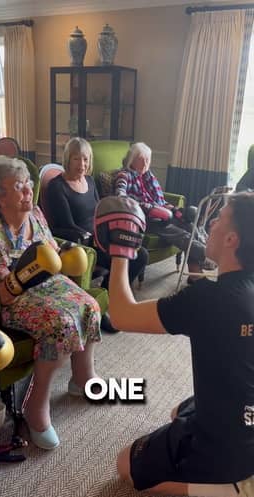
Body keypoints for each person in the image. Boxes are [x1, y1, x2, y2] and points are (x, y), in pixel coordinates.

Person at [94, 192, 254, 497]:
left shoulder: (209, 297)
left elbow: (122, 315)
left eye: (219, 219)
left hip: (231, 449)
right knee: (179, 411)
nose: (211, 223)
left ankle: (232, 490)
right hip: (244, 415)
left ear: (232, 239)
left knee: (125, 465)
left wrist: (119, 252)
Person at [0, 155, 101, 451]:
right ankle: (35, 406)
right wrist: (30, 270)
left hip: (49, 284)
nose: (29, 191)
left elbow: (53, 251)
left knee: (89, 306)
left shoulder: (36, 215)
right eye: (19, 186)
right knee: (60, 324)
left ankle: (83, 377)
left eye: (29, 184)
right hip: (17, 297)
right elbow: (5, 293)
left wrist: (66, 255)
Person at [44, 137, 149, 330]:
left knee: (140, 254)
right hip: (80, 241)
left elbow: (101, 212)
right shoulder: (57, 187)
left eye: (85, 159)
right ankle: (103, 308)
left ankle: (111, 298)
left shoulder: (90, 181)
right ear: (68, 159)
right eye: (76, 159)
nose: (82, 164)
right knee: (121, 256)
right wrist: (95, 238)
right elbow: (65, 225)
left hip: (101, 236)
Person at [115, 142, 213, 277]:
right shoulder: (124, 175)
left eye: (148, 160)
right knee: (180, 234)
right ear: (132, 160)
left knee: (189, 225)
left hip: (161, 215)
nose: (145, 163)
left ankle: (194, 272)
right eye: (141, 159)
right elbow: (120, 196)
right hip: (144, 219)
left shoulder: (149, 177)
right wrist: (148, 208)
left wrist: (175, 210)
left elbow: (160, 201)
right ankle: (208, 254)